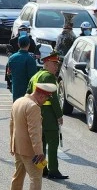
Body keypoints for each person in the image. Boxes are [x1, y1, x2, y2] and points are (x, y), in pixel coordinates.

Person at [8, 83, 58, 190]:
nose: (45, 102)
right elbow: (35, 133)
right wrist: (39, 152)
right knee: (36, 179)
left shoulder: (18, 101)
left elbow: (12, 125)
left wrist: (12, 145)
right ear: (41, 95)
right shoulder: (33, 107)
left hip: (18, 147)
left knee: (17, 176)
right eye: (46, 99)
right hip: (30, 151)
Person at [27, 51, 68, 180]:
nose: (56, 67)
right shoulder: (49, 77)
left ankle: (42, 169)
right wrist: (59, 115)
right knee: (53, 143)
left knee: (41, 143)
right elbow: (54, 98)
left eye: (57, 65)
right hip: (49, 115)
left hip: (36, 113)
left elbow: (28, 93)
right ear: (46, 63)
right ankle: (53, 170)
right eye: (54, 64)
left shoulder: (35, 76)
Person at [8, 35, 38, 101]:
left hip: (15, 88)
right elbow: (33, 77)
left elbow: (9, 73)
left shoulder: (11, 58)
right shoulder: (30, 59)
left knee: (16, 108)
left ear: (18, 44)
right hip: (27, 91)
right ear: (29, 45)